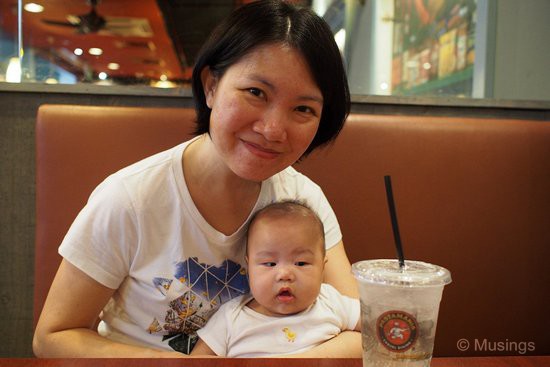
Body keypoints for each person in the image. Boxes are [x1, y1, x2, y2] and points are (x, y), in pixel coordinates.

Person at [33, 0, 360, 358]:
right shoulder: (130, 198)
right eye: (256, 92)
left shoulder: (303, 200)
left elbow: (363, 328)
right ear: (211, 86)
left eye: (303, 109)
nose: (272, 130)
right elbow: (54, 335)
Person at [191, 200, 361, 357]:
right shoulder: (230, 319)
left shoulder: (332, 302)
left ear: (322, 268)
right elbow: (196, 362)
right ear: (249, 268)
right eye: (270, 264)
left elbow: (378, 326)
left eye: (301, 263)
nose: (284, 274)